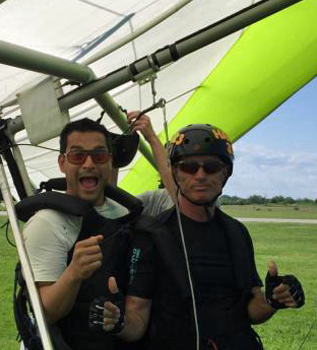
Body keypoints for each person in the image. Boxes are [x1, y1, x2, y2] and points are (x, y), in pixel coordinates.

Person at [103, 123, 305, 349]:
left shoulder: (236, 232)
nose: (200, 175)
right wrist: (119, 323)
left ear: (225, 173)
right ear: (176, 173)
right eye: (189, 167)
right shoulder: (152, 235)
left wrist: (272, 300)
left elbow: (251, 311)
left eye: (211, 167)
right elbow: (137, 319)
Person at [22, 117, 146, 350]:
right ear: (62, 163)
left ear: (109, 161)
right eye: (78, 156)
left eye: (99, 155)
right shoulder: (46, 223)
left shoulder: (124, 214)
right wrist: (74, 273)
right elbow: (45, 313)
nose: (89, 163)